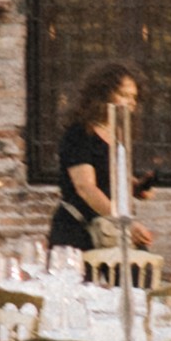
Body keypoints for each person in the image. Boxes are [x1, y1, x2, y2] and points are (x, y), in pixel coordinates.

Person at [49, 57, 139, 259]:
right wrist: (125, 224)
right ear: (104, 95)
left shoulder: (118, 135)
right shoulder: (80, 134)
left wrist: (138, 186)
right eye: (124, 95)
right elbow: (86, 188)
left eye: (133, 97)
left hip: (111, 231)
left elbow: (108, 179)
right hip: (79, 231)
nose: (131, 103)